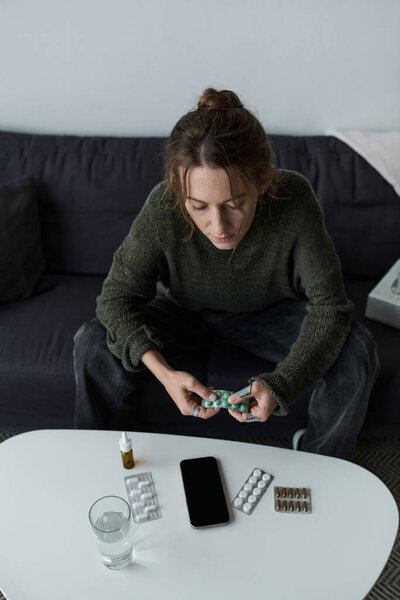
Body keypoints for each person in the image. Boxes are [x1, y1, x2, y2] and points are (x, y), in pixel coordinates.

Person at [73, 87, 380, 460]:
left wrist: (282, 384)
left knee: (357, 349)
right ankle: (99, 456)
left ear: (264, 181)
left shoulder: (294, 198)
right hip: (185, 314)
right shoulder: (163, 205)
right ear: (178, 188)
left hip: (270, 313)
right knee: (92, 341)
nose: (217, 226)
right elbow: (115, 300)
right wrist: (165, 374)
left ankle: (322, 461)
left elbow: (331, 308)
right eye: (198, 206)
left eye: (234, 204)